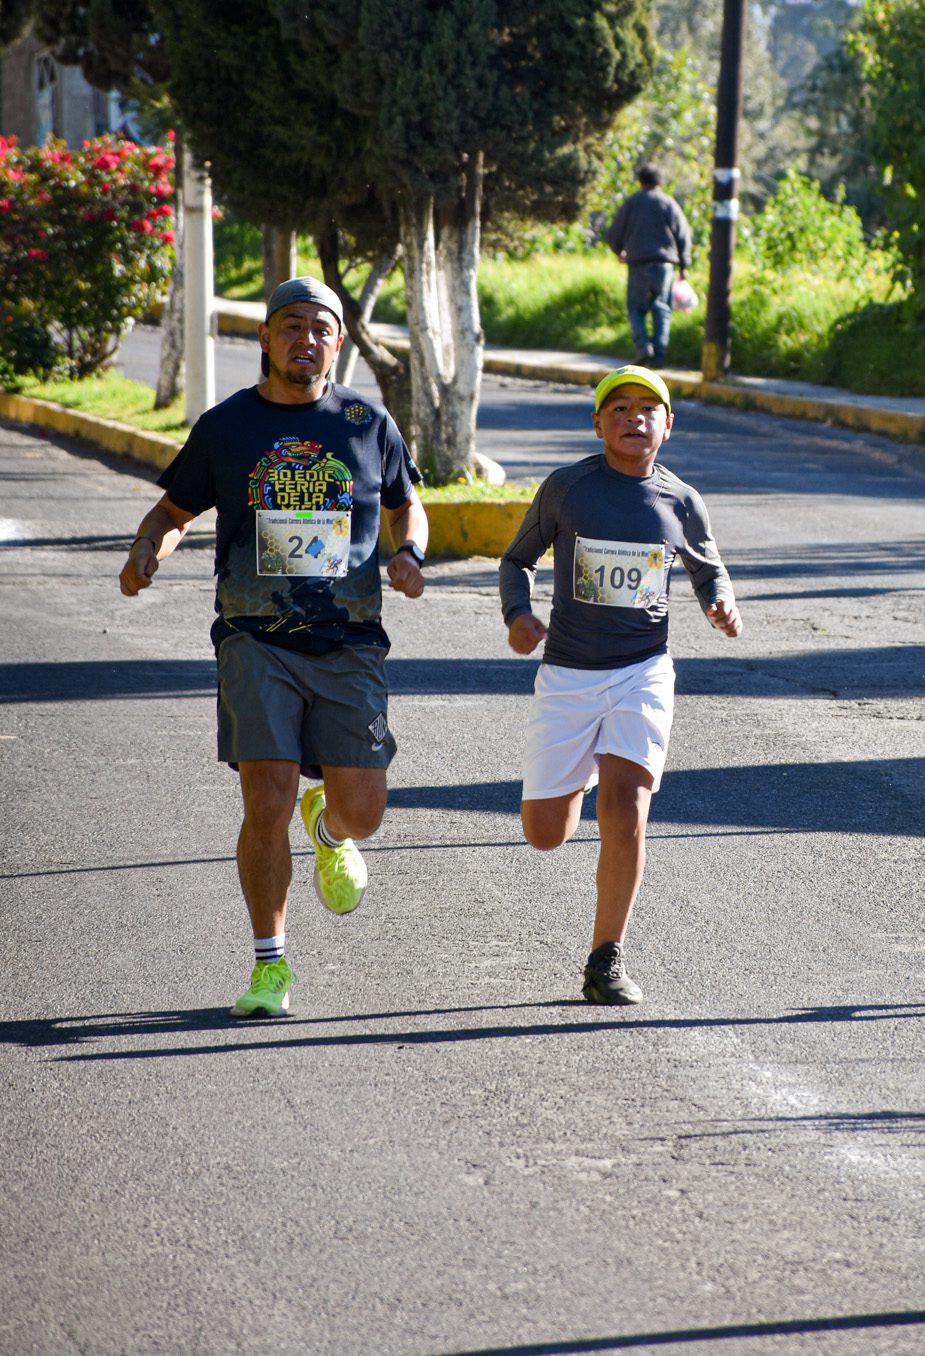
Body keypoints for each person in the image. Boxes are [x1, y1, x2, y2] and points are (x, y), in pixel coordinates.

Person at [118, 276, 428, 1020]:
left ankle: (327, 827)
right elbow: (173, 508)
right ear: (264, 337)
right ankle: (270, 966)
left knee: (365, 811)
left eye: (321, 329)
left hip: (349, 638)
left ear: (338, 343)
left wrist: (410, 550)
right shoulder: (228, 426)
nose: (306, 340)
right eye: (291, 326)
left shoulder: (365, 418)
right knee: (264, 796)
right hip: (254, 637)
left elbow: (403, 500)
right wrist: (146, 549)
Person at [499, 365, 741, 1004]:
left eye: (648, 409)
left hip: (643, 671)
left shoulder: (680, 500)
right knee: (545, 832)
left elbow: (709, 569)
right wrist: (519, 616)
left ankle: (606, 957)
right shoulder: (568, 488)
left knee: (628, 805)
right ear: (598, 422)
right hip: (570, 676)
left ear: (668, 425)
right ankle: (579, 776)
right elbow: (516, 560)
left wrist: (721, 604)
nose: (635, 418)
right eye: (620, 408)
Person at [606, 162, 693, 368]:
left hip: (638, 263)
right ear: (660, 181)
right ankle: (659, 356)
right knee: (662, 308)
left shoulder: (632, 202)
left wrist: (620, 251)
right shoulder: (669, 203)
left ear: (641, 182)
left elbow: (613, 234)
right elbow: (683, 234)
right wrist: (684, 264)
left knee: (635, 307)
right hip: (665, 264)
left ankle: (643, 346)